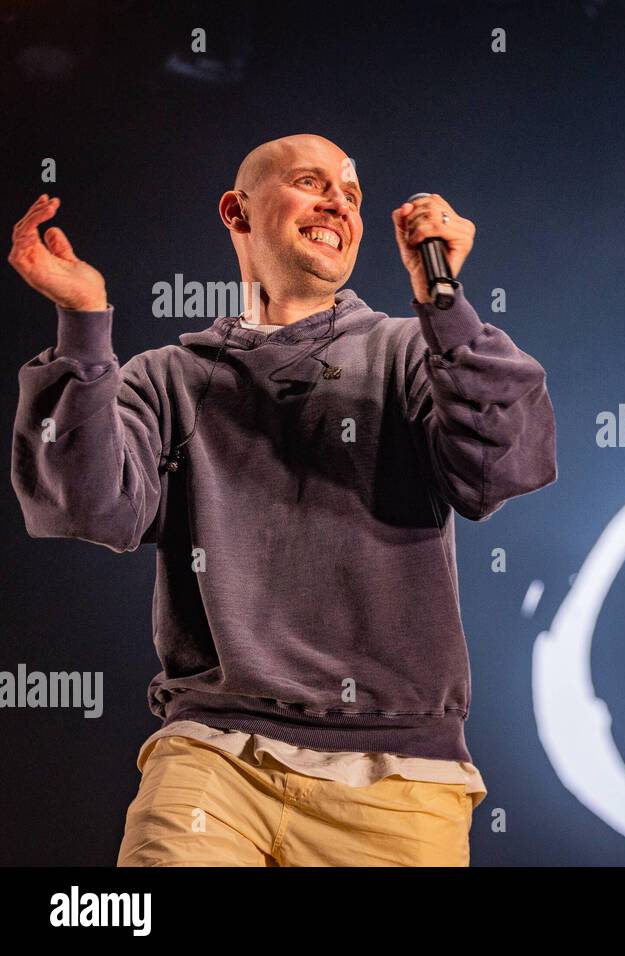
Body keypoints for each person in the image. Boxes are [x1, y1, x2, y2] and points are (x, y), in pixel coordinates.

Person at [7, 133, 558, 866]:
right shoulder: (170, 377)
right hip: (215, 757)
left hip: (394, 777)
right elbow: (87, 503)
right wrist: (83, 324)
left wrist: (444, 305)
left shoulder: (406, 353)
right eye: (310, 181)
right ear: (237, 211)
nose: (339, 202)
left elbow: (503, 465)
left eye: (352, 195)